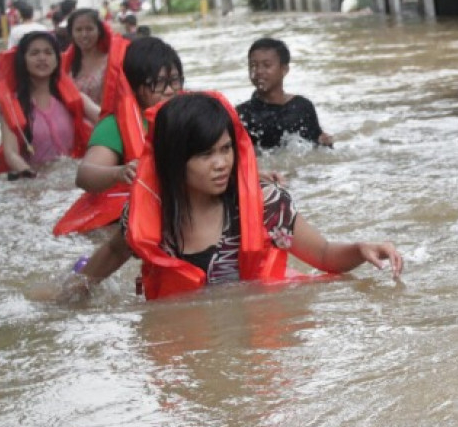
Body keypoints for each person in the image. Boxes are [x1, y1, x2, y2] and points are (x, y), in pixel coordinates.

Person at [63, 92, 403, 301]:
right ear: (173, 160)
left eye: (226, 150)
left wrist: (360, 250)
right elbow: (112, 251)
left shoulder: (267, 204)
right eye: (205, 155)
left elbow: (326, 255)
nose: (221, 164)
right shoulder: (151, 215)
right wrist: (73, 293)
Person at [54, 36, 182, 235]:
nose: (169, 91)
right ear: (135, 85)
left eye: (174, 81)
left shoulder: (188, 115)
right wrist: (119, 172)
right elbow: (84, 175)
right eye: (158, 83)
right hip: (122, 222)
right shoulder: (114, 126)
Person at [0, 31, 100, 179]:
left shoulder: (75, 99)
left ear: (57, 60)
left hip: (73, 177)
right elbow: (11, 153)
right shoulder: (12, 107)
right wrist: (34, 179)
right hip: (34, 182)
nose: (42, 58)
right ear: (23, 60)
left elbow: (107, 120)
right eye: (34, 53)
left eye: (48, 52)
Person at [235, 38, 334, 150]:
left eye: (266, 65)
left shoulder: (302, 107)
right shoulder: (242, 115)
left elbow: (318, 150)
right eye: (253, 65)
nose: (258, 71)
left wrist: (326, 143)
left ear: (284, 69)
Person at [62, 7, 128, 106]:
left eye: (89, 29)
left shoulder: (113, 62)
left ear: (99, 31)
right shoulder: (66, 63)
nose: (84, 34)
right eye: (78, 30)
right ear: (72, 33)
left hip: (105, 119)